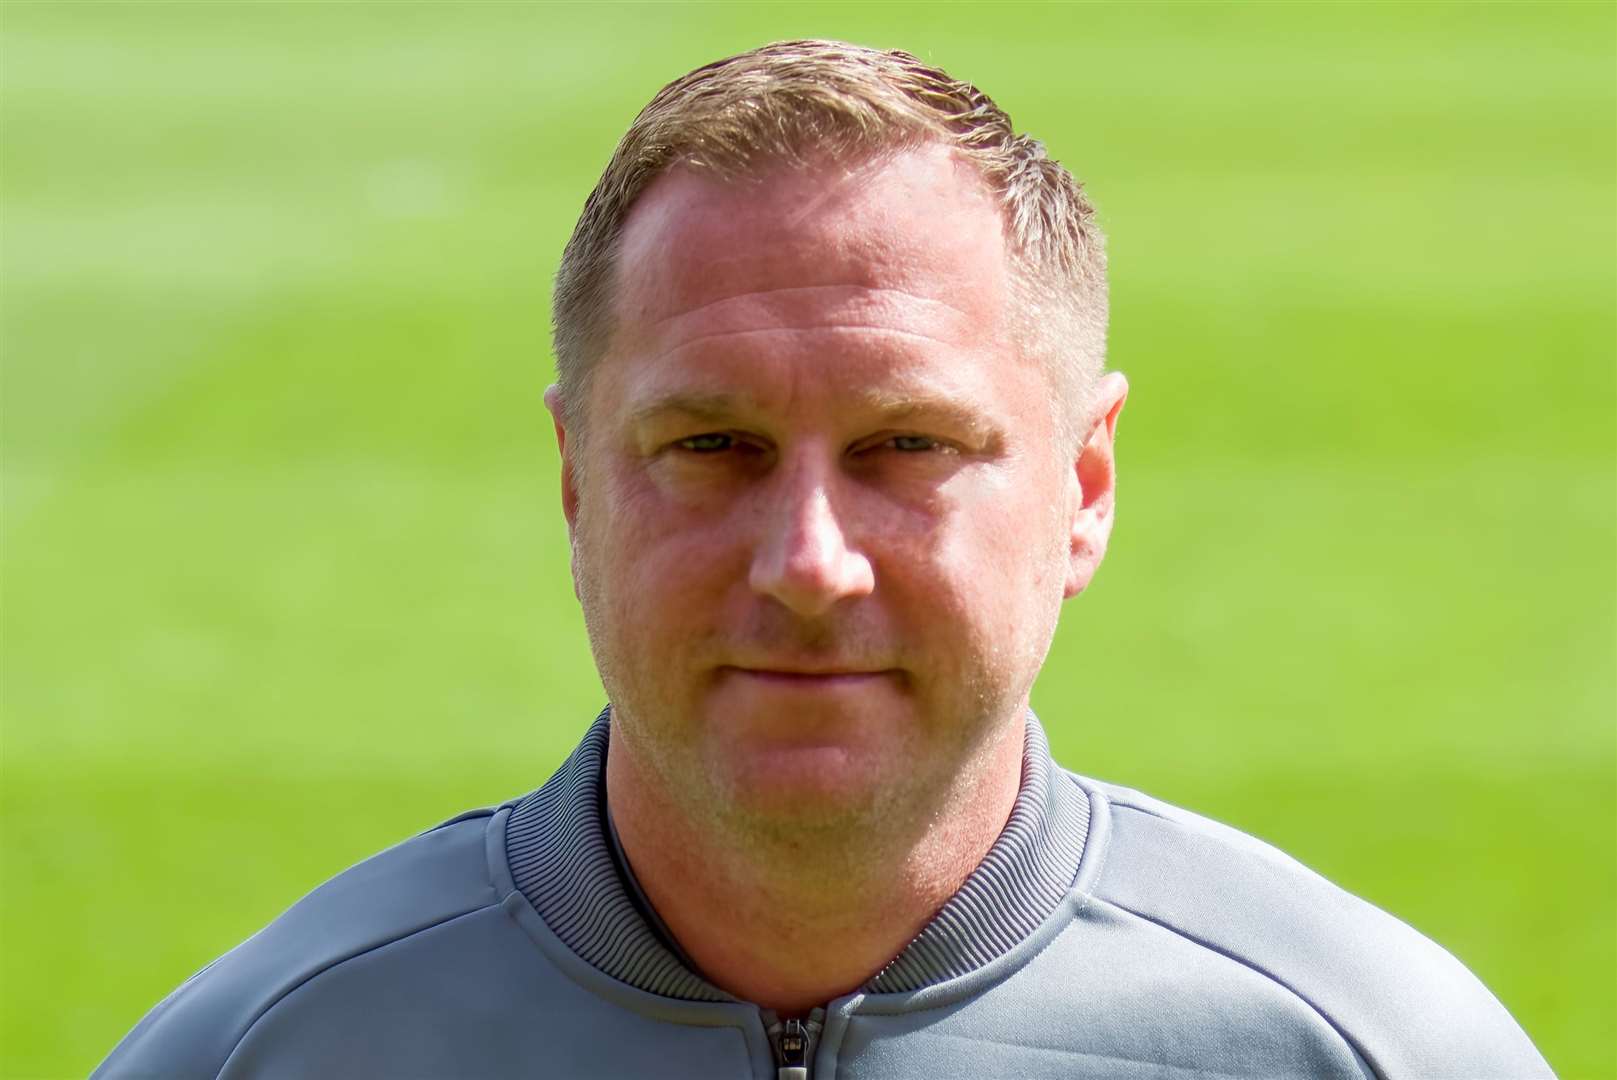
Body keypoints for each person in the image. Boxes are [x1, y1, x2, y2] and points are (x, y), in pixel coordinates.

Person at [95, 40, 1551, 1079]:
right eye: (711, 447)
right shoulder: (270, 1049)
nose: (808, 564)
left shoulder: (1357, 1047)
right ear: (575, 482)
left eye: (907, 447)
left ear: (1083, 486)